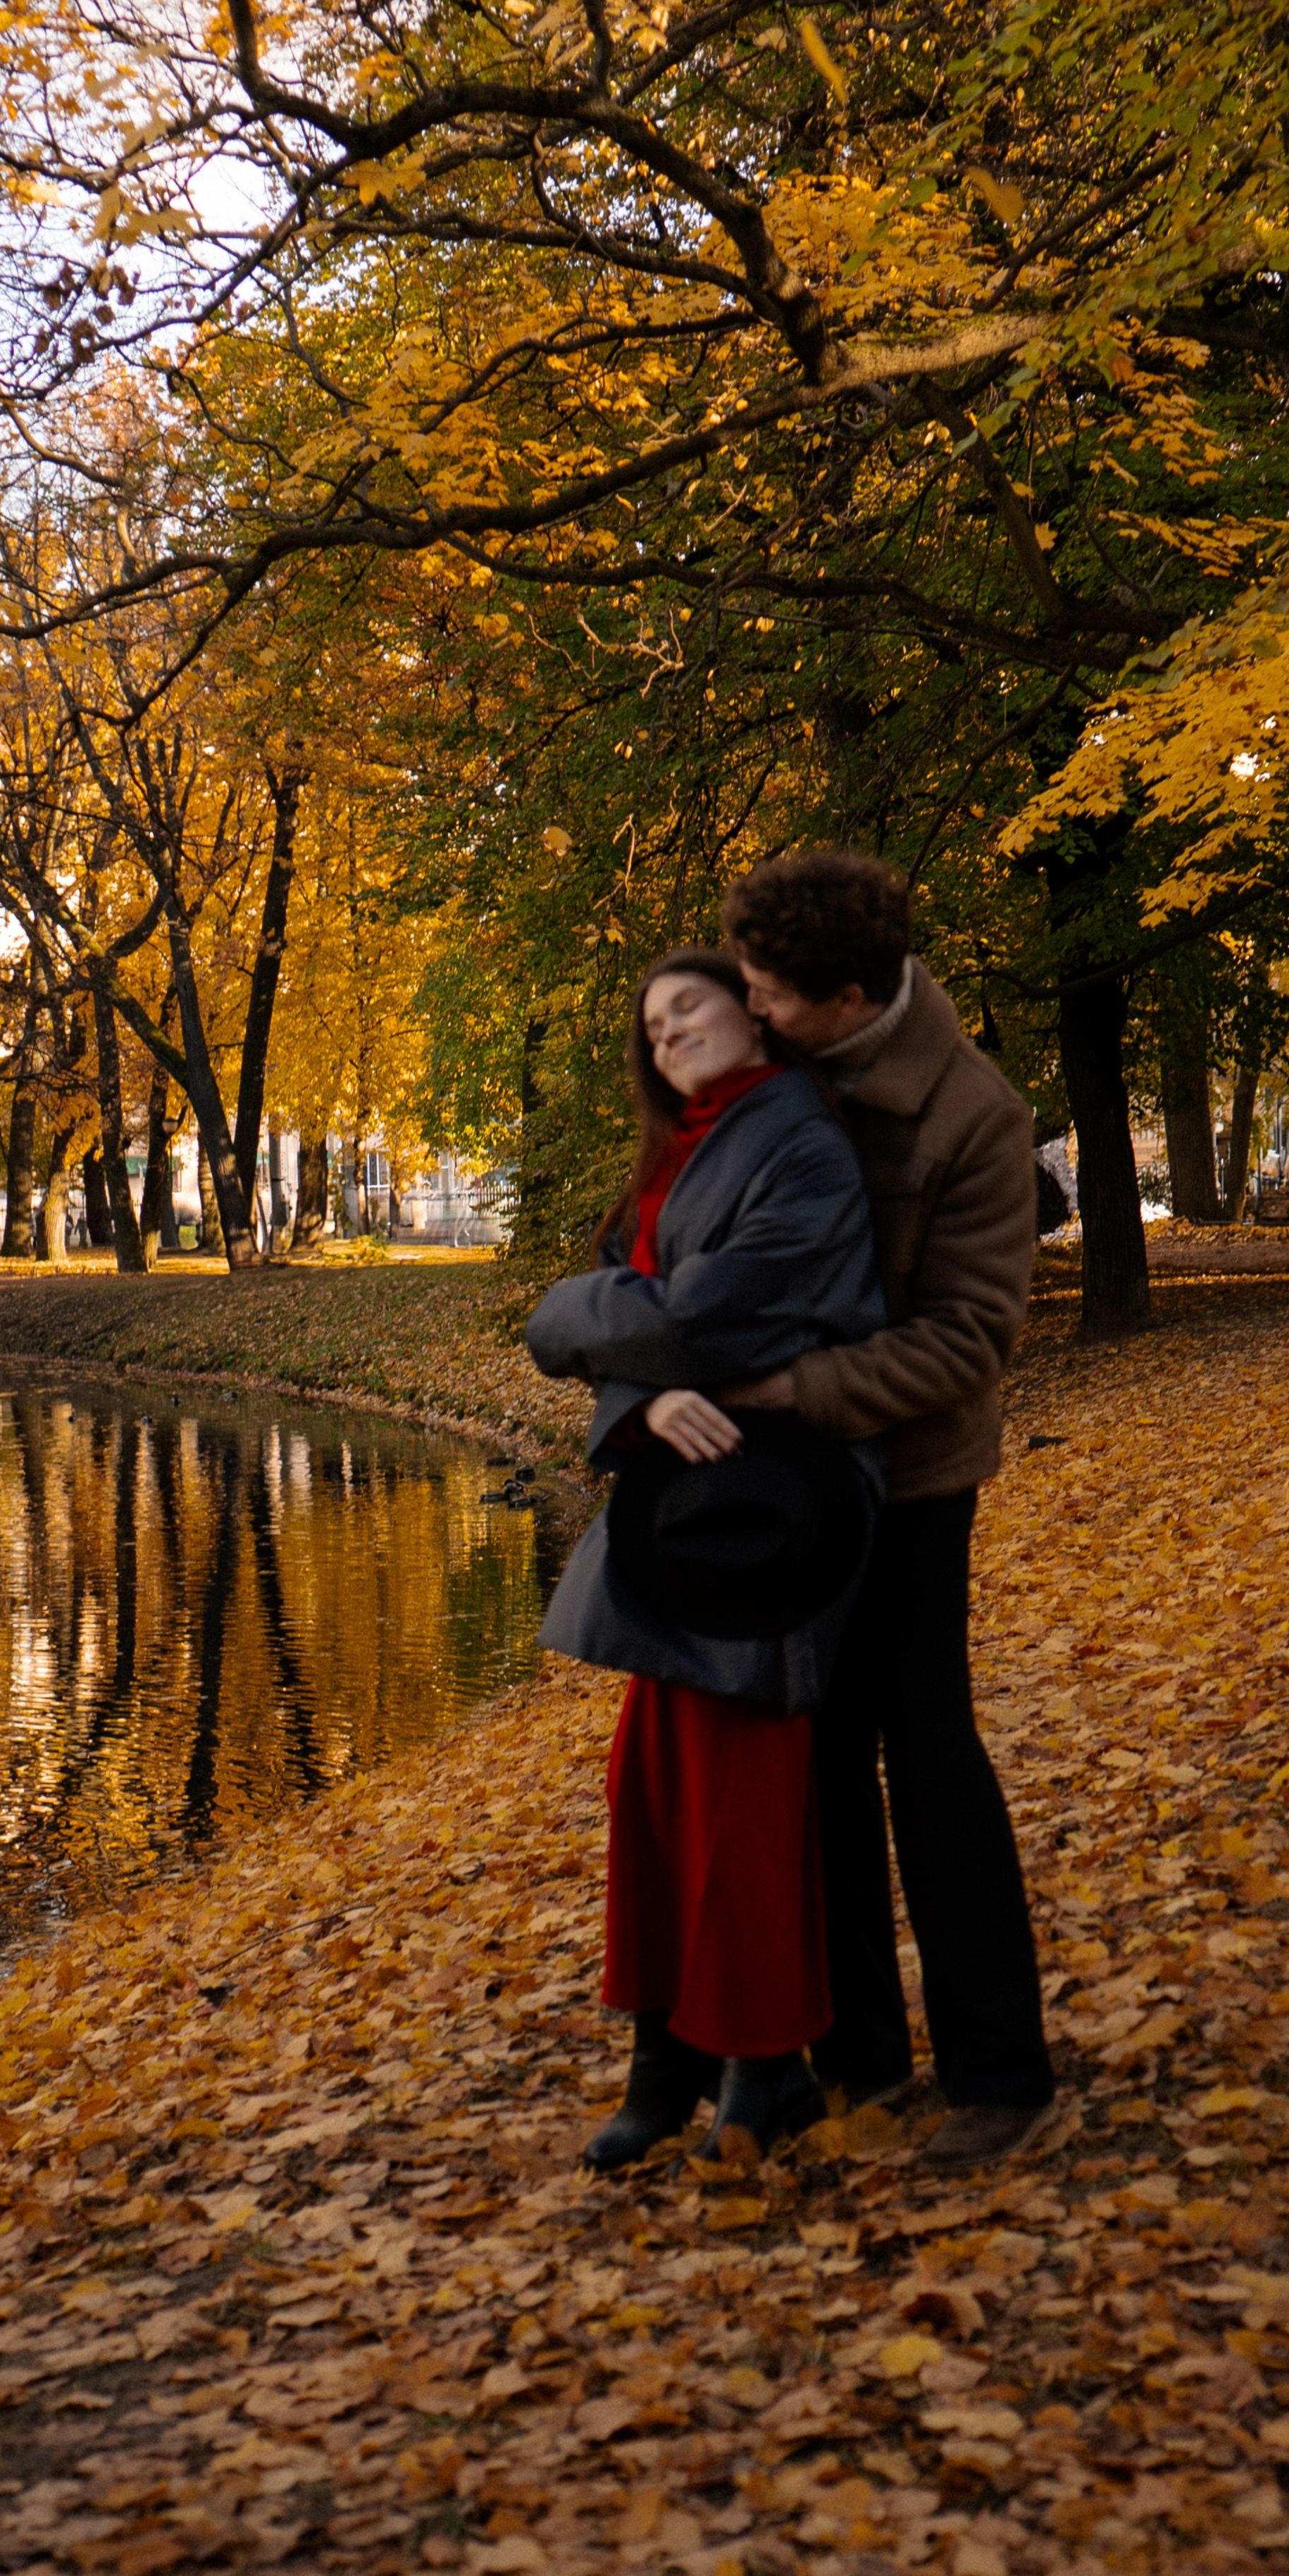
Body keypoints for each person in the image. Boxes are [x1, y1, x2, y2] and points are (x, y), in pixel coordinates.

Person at [718, 849, 1055, 2172]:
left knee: (929, 1756)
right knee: (818, 1767)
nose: (747, 1008)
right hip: (791, 1484)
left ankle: (1001, 2077)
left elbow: (970, 1340)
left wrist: (792, 1383)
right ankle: (859, 2060)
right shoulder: (769, 1070)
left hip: (911, 1485)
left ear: (846, 996)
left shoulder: (974, 1116)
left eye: (767, 993)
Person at [525, 949, 885, 2172]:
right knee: (654, 1787)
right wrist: (640, 1390)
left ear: (755, 1013)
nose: (668, 1028)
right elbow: (635, 1301)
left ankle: (756, 2065)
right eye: (652, 1019)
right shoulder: (682, 1144)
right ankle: (669, 2061)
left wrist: (594, 1335)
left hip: (771, 1501)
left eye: (691, 1005)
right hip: (688, 1489)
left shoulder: (802, 1141)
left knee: (741, 1795)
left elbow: (691, 1311)